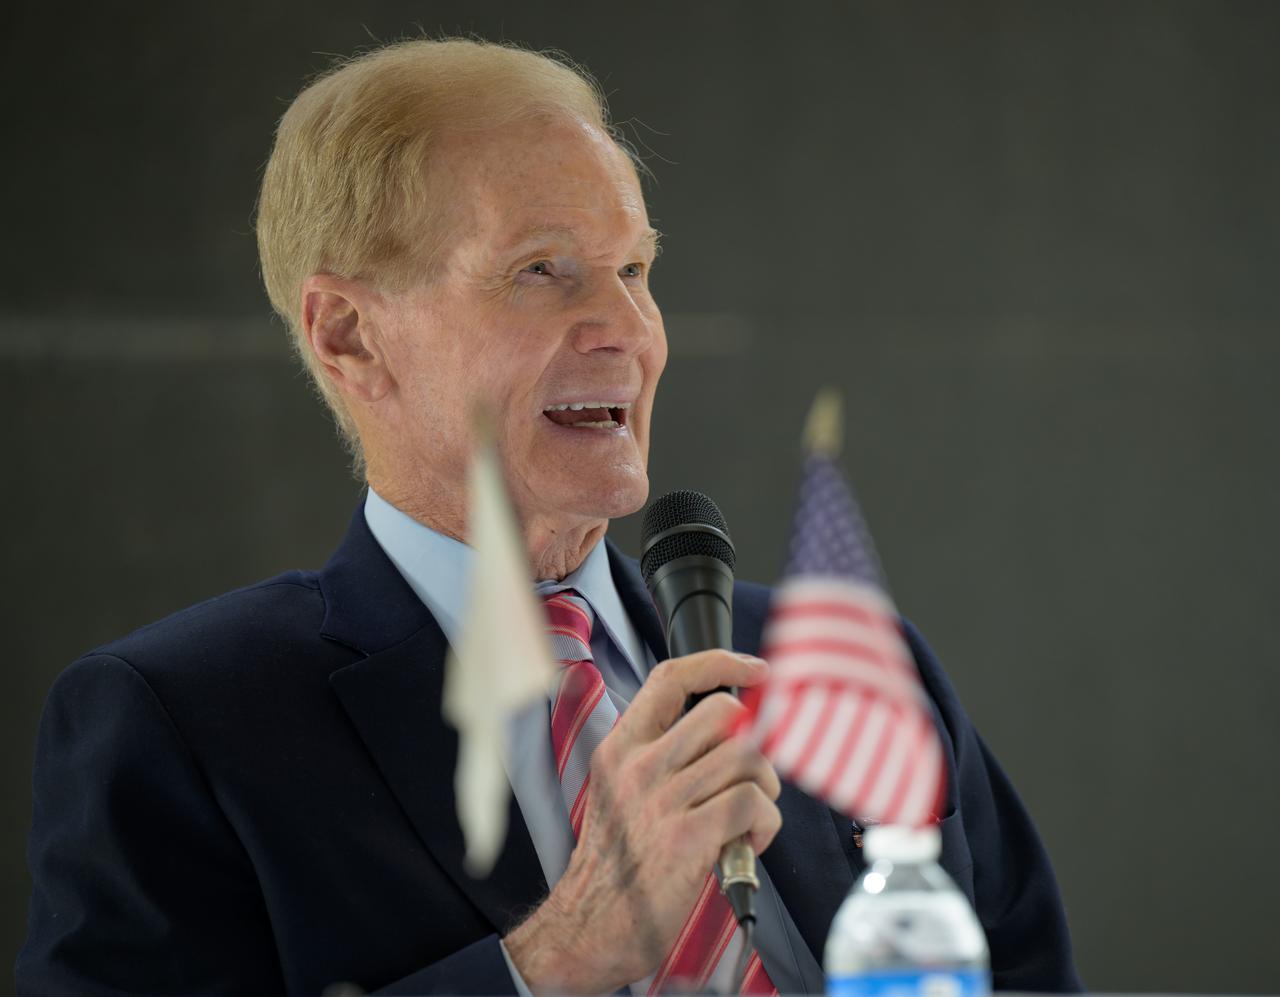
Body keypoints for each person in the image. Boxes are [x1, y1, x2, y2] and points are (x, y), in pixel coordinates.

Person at [16, 38, 1082, 996]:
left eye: (633, 270)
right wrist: (560, 954)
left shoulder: (842, 662)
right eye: (541, 272)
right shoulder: (178, 724)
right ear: (346, 335)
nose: (628, 328)